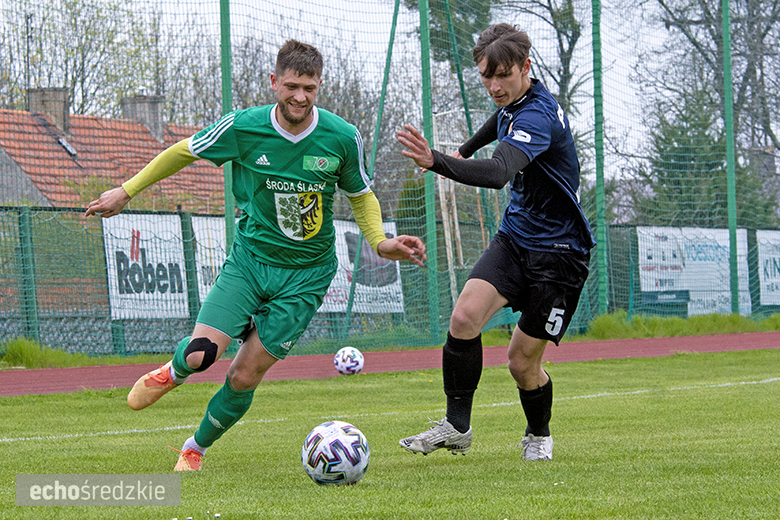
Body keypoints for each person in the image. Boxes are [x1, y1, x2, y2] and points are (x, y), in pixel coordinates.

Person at [86, 39, 426, 471]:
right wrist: (126, 190)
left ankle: (195, 448)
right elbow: (183, 152)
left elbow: (360, 195)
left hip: (306, 277)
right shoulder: (243, 127)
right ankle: (173, 372)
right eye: (291, 86)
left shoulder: (342, 137)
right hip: (249, 263)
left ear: (319, 86)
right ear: (273, 82)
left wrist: (379, 242)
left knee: (244, 375)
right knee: (201, 354)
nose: (300, 97)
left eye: (309, 88)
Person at [396, 23, 594, 461]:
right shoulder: (513, 103)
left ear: (526, 67)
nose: (494, 87)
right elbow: (498, 122)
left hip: (560, 255)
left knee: (521, 363)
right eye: (487, 77)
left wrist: (439, 161)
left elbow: (500, 172)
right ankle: (456, 427)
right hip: (516, 238)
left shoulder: (538, 116)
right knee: (464, 318)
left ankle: (539, 434)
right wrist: (466, 148)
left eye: (503, 76)